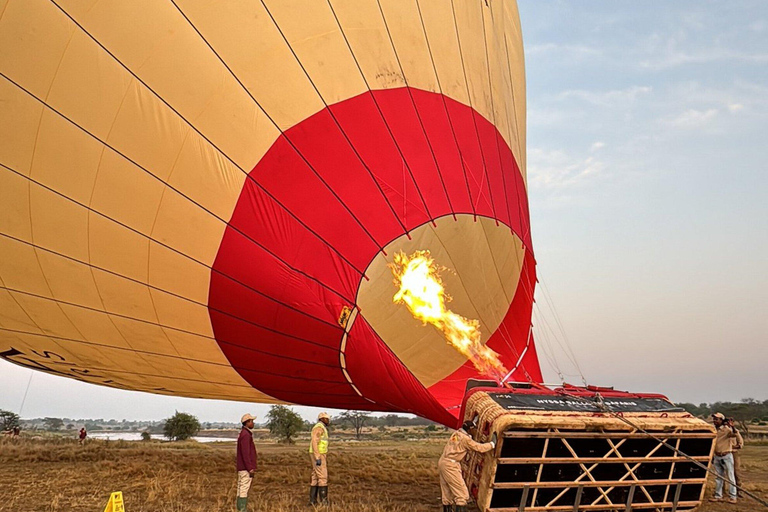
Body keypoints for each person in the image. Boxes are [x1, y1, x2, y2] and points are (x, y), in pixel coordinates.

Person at [438, 420, 497, 512]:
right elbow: (479, 448)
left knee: (447, 492)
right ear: (470, 429)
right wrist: (492, 444)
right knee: (462, 494)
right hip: (451, 465)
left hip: (443, 462)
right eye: (474, 429)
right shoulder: (465, 439)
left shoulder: (456, 434)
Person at [710, 412, 739, 504]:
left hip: (726, 455)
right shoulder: (713, 430)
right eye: (714, 419)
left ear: (721, 420)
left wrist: (732, 427)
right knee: (718, 477)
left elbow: (735, 434)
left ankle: (733, 496)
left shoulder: (727, 430)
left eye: (716, 419)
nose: (714, 421)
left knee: (730, 476)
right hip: (717, 455)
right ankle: (718, 495)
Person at [236, 413, 258, 512]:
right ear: (247, 422)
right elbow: (246, 453)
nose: (253, 423)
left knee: (240, 488)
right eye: (251, 421)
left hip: (242, 467)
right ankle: (242, 509)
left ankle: (240, 508)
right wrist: (250, 468)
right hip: (245, 468)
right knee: (244, 488)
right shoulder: (246, 435)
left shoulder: (243, 433)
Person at [309, 412, 330, 505]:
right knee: (322, 476)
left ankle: (313, 501)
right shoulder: (319, 428)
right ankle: (323, 501)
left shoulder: (321, 427)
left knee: (315, 475)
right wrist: (317, 457)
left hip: (317, 453)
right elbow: (315, 442)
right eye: (326, 419)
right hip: (319, 454)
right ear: (322, 419)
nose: (328, 420)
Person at [731, 422, 745, 498]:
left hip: (733, 453)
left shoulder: (735, 431)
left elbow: (740, 444)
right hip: (722, 453)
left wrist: (732, 447)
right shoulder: (720, 430)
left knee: (736, 472)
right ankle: (721, 491)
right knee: (721, 473)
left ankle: (739, 490)